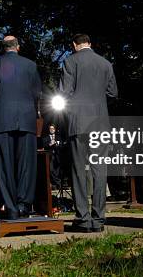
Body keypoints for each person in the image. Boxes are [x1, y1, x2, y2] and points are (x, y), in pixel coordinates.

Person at [60, 34, 117, 232]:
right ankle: (99, 218)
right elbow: (112, 93)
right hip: (100, 122)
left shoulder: (69, 62)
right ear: (90, 44)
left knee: (78, 170)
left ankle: (83, 218)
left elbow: (64, 92)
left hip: (78, 123)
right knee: (100, 169)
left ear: (74, 45)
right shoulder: (105, 63)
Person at [0, 36, 42, 219]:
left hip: (1, 120)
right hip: (26, 118)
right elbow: (37, 92)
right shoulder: (31, 66)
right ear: (18, 47)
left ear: (3, 48)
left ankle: (11, 206)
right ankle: (24, 204)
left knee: (4, 165)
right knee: (26, 165)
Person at [41, 124, 62, 189]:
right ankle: (58, 183)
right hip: (49, 156)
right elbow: (44, 146)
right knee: (51, 170)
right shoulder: (45, 137)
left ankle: (57, 184)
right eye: (50, 129)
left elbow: (61, 145)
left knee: (58, 171)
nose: (51, 130)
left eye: (53, 129)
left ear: (55, 130)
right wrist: (50, 144)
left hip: (58, 156)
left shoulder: (58, 137)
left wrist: (57, 144)